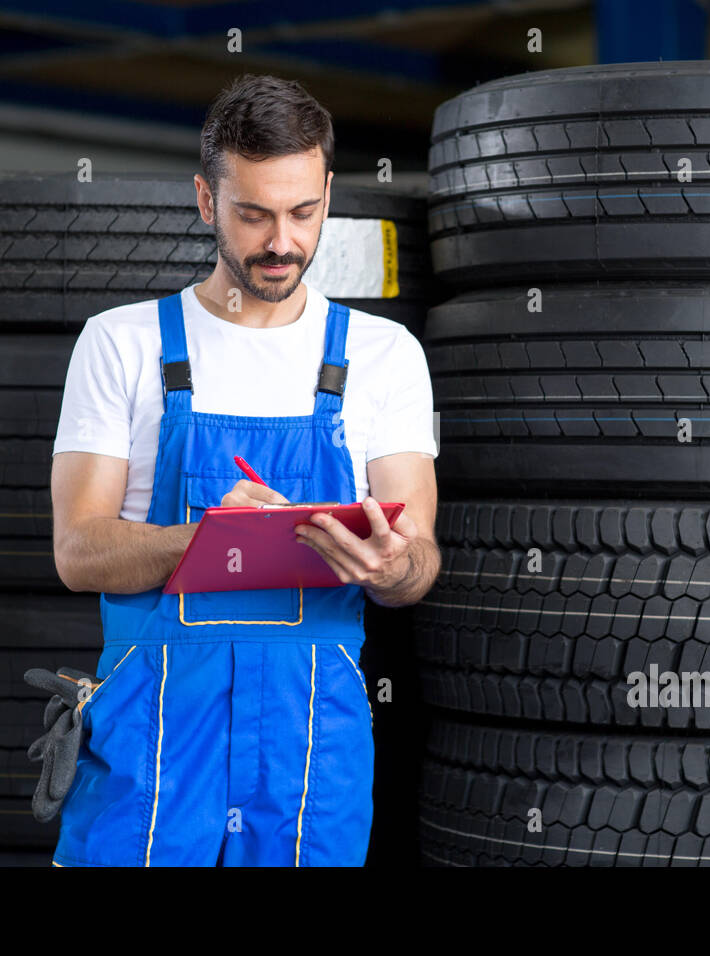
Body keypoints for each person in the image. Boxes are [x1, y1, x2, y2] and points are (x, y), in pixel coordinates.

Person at [47, 73, 439, 866]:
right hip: (156, 722)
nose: (281, 242)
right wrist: (214, 538)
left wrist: (394, 565)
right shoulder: (123, 344)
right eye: (253, 213)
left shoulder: (383, 356)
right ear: (206, 200)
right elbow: (79, 552)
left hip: (313, 735)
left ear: (329, 193)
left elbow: (418, 558)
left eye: (303, 212)